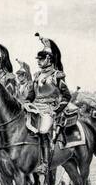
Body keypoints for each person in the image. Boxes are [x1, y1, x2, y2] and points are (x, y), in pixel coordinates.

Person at [27, 34, 70, 167]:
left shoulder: (57, 76)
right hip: (34, 108)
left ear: (49, 59)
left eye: (41, 59)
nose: (38, 61)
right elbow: (31, 93)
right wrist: (27, 102)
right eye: (38, 59)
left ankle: (44, 163)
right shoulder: (37, 76)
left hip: (50, 109)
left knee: (43, 131)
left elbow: (67, 96)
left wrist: (56, 110)